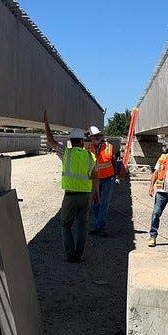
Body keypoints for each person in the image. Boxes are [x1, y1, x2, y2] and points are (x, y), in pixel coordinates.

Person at [44, 112, 99, 263]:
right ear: (82, 142)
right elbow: (95, 176)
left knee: (65, 225)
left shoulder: (66, 153)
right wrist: (97, 194)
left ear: (70, 141)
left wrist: (46, 122)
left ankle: (70, 255)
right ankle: (79, 255)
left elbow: (50, 140)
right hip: (85, 196)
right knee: (82, 225)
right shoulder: (90, 156)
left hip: (70, 196)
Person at [88, 125, 117, 237]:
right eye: (94, 136)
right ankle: (99, 224)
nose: (96, 138)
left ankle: (100, 227)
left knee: (104, 203)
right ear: (91, 138)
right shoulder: (90, 148)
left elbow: (113, 161)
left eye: (97, 136)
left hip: (108, 179)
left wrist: (116, 176)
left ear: (100, 136)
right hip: (96, 180)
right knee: (95, 202)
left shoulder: (109, 147)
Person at [147, 142, 168, 247]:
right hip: (162, 191)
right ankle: (153, 235)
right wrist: (151, 186)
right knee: (156, 213)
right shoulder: (163, 157)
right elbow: (156, 172)